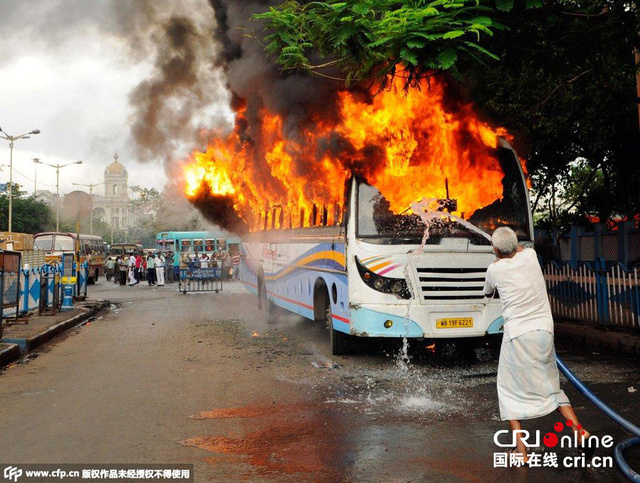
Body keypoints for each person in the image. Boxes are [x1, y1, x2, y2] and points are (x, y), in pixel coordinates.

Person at [483, 227, 589, 462]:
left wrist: (498, 256)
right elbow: (519, 249)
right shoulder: (530, 256)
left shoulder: (494, 269)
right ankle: (580, 432)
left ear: (496, 249)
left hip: (518, 336)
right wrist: (506, 249)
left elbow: (488, 293)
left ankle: (521, 451)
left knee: (508, 389)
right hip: (543, 331)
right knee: (550, 386)